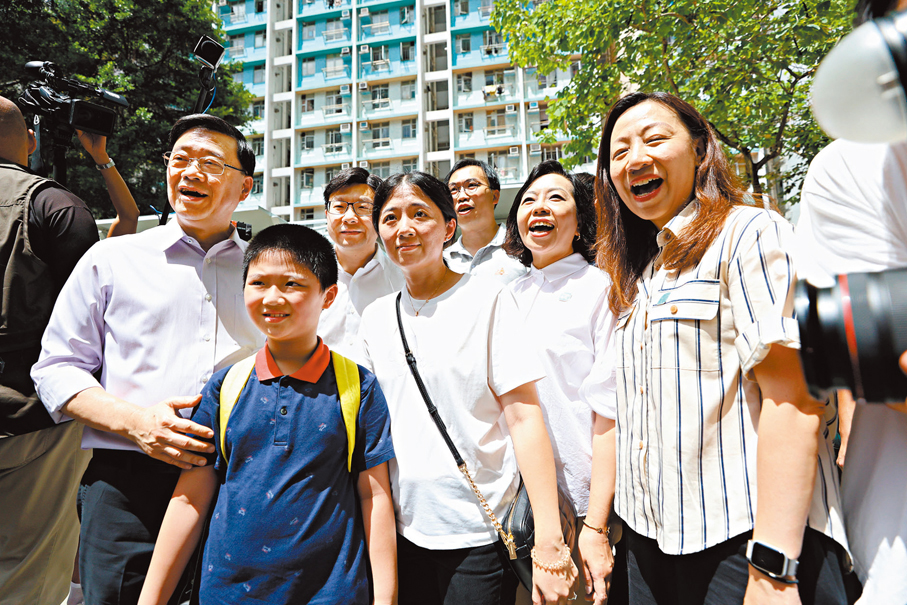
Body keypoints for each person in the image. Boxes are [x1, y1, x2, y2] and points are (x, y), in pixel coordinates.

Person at [595, 92, 850, 604]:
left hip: (745, 538)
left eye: (654, 138)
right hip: (651, 544)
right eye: (617, 152)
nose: (634, 159)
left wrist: (773, 565)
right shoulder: (638, 276)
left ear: (699, 149)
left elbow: (795, 398)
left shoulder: (749, 232)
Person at [31, 114, 264, 605]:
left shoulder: (266, 272)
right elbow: (55, 368)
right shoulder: (112, 259)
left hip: (239, 485)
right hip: (126, 483)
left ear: (244, 187)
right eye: (179, 160)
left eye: (210, 162)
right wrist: (137, 423)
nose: (190, 171)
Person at [138, 224, 396, 605]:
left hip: (330, 593)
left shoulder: (358, 387)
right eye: (258, 283)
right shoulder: (225, 386)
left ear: (328, 296)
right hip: (226, 593)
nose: (272, 297)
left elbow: (375, 497)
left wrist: (386, 599)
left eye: (292, 284)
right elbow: (190, 497)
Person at [359, 171, 577, 605]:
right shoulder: (375, 318)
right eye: (390, 218)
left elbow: (524, 416)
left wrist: (550, 542)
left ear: (448, 227)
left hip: (481, 532)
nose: (404, 228)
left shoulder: (488, 299)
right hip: (405, 531)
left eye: (420, 214)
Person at [0, 95, 139, 605]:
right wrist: (100, 157)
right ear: (31, 141)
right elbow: (96, 298)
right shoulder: (53, 205)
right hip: (32, 417)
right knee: (30, 565)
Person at [503, 160, 620, 605]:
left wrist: (595, 525)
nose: (540, 207)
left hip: (585, 504)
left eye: (556, 198)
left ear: (579, 221)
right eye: (529, 199)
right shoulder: (507, 297)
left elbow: (609, 413)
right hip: (519, 509)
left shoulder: (600, 288)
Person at [318, 167, 403, 362]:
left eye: (363, 207)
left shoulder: (404, 279)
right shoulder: (304, 277)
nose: (349, 217)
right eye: (339, 207)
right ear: (327, 215)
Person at [443, 158, 528, 283]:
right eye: (454, 190)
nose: (461, 196)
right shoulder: (441, 260)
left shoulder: (523, 248)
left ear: (495, 196)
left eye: (471, 185)